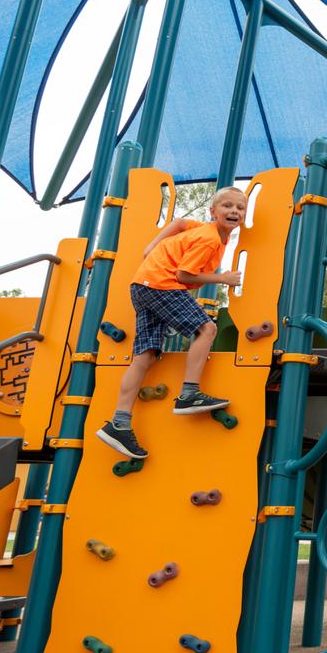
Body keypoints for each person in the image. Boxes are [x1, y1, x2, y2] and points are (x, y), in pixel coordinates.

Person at [96, 188, 246, 459]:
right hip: (161, 285)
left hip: (143, 285)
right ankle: (189, 393)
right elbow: (185, 274)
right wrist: (224, 280)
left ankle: (119, 422)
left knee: (145, 356)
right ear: (213, 212)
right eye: (227, 206)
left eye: (240, 207)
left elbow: (177, 223)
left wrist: (152, 246)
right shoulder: (209, 238)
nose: (234, 211)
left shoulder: (202, 228)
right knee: (207, 328)